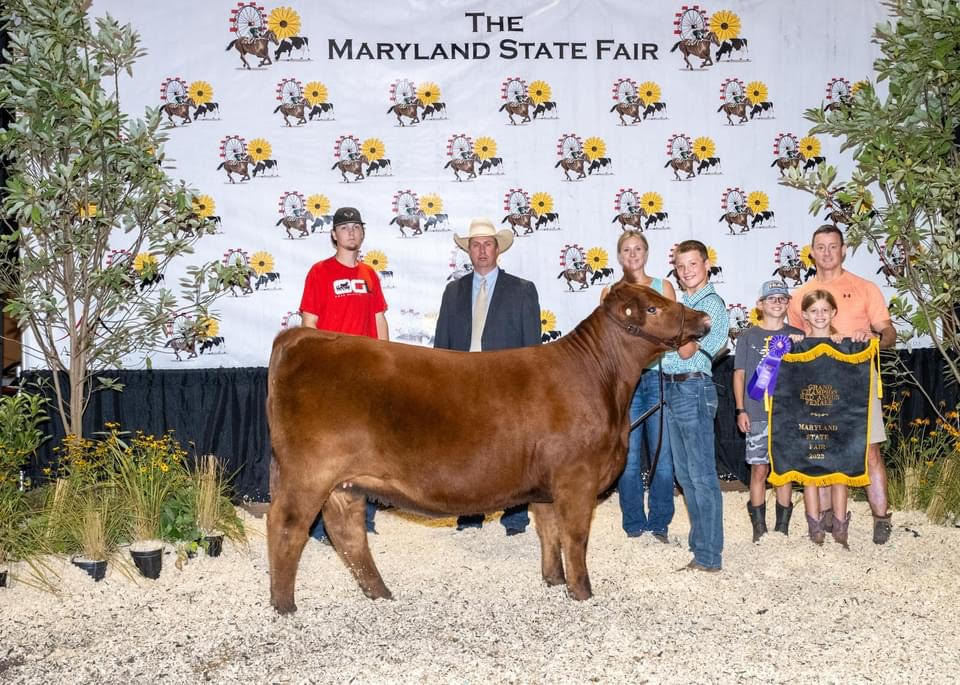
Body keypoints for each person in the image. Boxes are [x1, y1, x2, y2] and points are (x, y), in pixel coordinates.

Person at [787, 224, 896, 544]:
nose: (827, 252)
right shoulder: (799, 296)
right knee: (819, 450)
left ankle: (881, 518)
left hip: (858, 381)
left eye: (833, 246)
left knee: (870, 449)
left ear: (844, 249)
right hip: (816, 384)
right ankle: (823, 520)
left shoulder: (865, 288)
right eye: (820, 247)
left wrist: (874, 336)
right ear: (811, 252)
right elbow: (793, 341)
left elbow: (889, 333)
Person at [434, 217, 541, 535]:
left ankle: (515, 515)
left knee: (514, 447)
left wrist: (528, 385)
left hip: (507, 379)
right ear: (469, 251)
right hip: (463, 378)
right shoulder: (453, 291)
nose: (482, 250)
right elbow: (442, 342)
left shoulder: (522, 290)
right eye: (476, 245)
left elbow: (532, 345)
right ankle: (469, 513)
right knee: (466, 448)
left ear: (498, 249)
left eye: (488, 244)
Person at [299, 206, 388, 542]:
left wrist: (387, 364)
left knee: (368, 451)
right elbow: (309, 323)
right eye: (344, 227)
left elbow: (379, 319)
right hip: (333, 377)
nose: (351, 232)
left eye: (356, 227)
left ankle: (363, 519)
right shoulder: (320, 272)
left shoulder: (369, 275)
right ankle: (323, 526)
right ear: (334, 234)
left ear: (362, 233)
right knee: (330, 453)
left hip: (367, 376)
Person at [600, 231, 677, 542]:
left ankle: (659, 521)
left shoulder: (663, 288)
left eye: (638, 249)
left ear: (646, 253)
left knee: (663, 455)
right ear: (619, 257)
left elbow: (674, 330)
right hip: (625, 384)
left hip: (658, 378)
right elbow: (605, 340)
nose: (632, 255)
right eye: (627, 250)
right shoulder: (610, 292)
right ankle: (633, 522)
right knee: (627, 459)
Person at [661, 240, 729, 572]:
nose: (687, 271)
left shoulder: (710, 305)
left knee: (701, 475)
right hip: (673, 390)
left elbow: (687, 352)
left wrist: (666, 334)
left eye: (693, 264)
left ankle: (709, 555)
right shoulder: (685, 305)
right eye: (680, 266)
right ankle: (700, 544)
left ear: (706, 265)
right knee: (685, 475)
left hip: (693, 387)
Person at [733, 280, 802, 542]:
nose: (777, 302)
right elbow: (739, 375)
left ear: (788, 304)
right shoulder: (748, 337)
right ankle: (759, 527)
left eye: (782, 298)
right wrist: (741, 409)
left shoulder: (798, 335)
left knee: (784, 470)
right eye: (771, 298)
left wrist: (800, 344)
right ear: (760, 304)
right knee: (759, 469)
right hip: (756, 411)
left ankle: (782, 528)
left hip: (788, 415)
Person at [788, 290, 851, 547]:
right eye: (814, 311)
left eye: (825, 310)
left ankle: (839, 525)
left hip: (836, 415)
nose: (820, 315)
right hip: (807, 416)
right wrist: (792, 344)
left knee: (839, 472)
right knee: (810, 472)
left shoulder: (842, 344)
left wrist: (846, 343)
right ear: (804, 315)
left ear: (834, 312)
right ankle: (814, 525)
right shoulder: (796, 344)